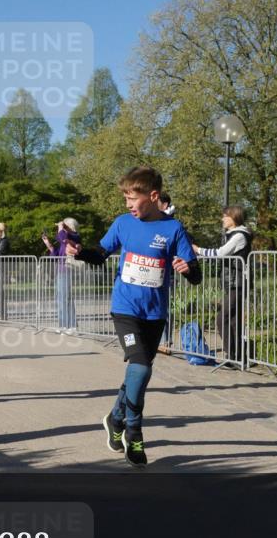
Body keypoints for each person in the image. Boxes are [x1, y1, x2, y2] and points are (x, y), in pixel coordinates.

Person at [70, 166, 201, 467]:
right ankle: (134, 434)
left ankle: (115, 419)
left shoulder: (174, 229)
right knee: (141, 370)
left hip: (154, 314)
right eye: (126, 199)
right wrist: (80, 252)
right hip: (125, 308)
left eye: (132, 198)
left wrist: (188, 269)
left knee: (136, 373)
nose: (128, 205)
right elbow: (100, 253)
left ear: (153, 196)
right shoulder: (122, 224)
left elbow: (196, 275)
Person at [192, 206, 252, 367]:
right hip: (233, 282)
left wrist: (198, 250)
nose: (223, 219)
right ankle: (237, 357)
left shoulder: (239, 235)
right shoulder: (234, 234)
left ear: (235, 217)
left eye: (225, 216)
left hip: (237, 282)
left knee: (222, 318)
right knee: (232, 320)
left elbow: (220, 253)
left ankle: (234, 356)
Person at [42, 218, 82, 334]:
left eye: (65, 226)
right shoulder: (65, 239)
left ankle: (70, 326)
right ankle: (65, 325)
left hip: (68, 270)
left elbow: (61, 236)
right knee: (60, 299)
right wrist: (48, 245)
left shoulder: (74, 236)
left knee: (65, 298)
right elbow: (56, 255)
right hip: (60, 271)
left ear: (68, 226)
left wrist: (61, 226)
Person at [158, 195, 176, 354]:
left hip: (167, 273)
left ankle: (166, 342)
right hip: (155, 272)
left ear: (164, 204)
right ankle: (158, 341)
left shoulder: (170, 222)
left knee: (165, 308)